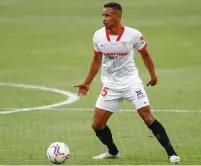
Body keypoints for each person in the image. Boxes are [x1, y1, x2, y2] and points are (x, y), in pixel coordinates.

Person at [74, 2, 180, 163]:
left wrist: (153, 75)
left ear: (118, 16)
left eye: (107, 15)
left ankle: (171, 153)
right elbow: (96, 60)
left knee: (147, 116)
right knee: (97, 125)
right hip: (110, 85)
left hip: (131, 83)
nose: (104, 19)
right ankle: (112, 151)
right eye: (102, 15)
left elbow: (145, 55)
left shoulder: (134, 35)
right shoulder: (98, 36)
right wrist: (87, 83)